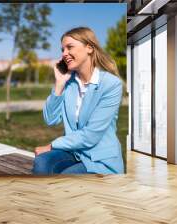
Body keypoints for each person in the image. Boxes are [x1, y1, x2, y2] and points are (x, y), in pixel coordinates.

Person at [32, 27, 124, 175]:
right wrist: (59, 84)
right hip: (73, 152)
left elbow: (90, 136)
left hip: (99, 159)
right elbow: (50, 119)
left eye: (69, 47)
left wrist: (51, 146)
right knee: (41, 162)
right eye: (62, 49)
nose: (64, 54)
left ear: (89, 48)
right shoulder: (68, 83)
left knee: (67, 178)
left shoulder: (111, 84)